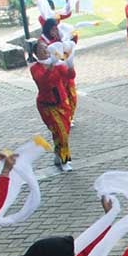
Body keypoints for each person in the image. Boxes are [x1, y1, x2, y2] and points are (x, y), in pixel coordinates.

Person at [29, 41, 75, 171]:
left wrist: (70, 64)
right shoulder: (35, 68)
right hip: (47, 106)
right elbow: (43, 82)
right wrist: (51, 66)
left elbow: (70, 76)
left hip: (61, 103)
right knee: (61, 132)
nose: (45, 50)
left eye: (45, 47)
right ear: (36, 53)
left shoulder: (58, 65)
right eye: (41, 49)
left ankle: (58, 154)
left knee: (63, 131)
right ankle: (64, 159)